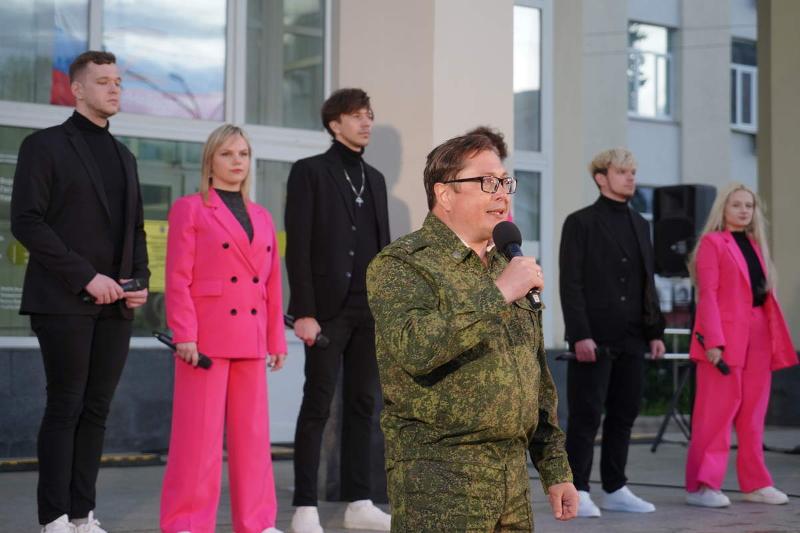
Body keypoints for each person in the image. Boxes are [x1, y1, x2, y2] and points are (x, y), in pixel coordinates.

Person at [367, 133, 578, 531]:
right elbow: (415, 347)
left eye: (505, 181)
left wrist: (555, 469)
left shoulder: (507, 264)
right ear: (445, 194)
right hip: (440, 479)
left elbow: (535, 375)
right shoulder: (402, 264)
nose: (501, 193)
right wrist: (498, 294)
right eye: (487, 182)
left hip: (512, 480)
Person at [10, 50, 149, 533]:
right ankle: (53, 517)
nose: (114, 89)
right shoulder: (44, 146)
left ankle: (81, 515)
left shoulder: (125, 156)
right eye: (103, 81)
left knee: (97, 410)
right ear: (77, 89)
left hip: (116, 306)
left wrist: (139, 281)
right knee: (65, 406)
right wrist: (86, 276)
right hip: (63, 300)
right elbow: (26, 221)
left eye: (118, 82)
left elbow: (135, 229)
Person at [159, 125, 286, 533]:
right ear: (210, 161)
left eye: (243, 154)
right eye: (227, 154)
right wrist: (184, 333)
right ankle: (186, 523)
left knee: (253, 439)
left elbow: (271, 284)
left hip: (251, 335)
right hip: (205, 339)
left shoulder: (262, 215)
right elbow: (177, 277)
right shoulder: (190, 208)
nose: (237, 161)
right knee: (198, 440)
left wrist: (275, 338)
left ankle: (258, 522)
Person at [285, 88, 391, 533]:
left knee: (364, 406)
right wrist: (303, 311)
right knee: (318, 404)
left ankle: (359, 502)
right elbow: (298, 245)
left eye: (369, 115)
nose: (366, 123)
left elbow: (383, 248)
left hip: (369, 309)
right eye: (356, 116)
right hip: (326, 311)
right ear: (334, 124)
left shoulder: (375, 178)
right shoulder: (310, 171)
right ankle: (304, 506)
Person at [559, 148, 666, 517]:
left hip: (633, 336)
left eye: (633, 171)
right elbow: (570, 283)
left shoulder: (641, 223)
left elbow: (647, 281)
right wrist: (580, 334)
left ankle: (615, 487)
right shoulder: (580, 222)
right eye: (622, 172)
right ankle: (577, 490)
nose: (631, 177)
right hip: (594, 337)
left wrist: (654, 331)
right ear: (601, 178)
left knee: (624, 414)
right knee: (586, 416)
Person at [685, 183, 797, 508]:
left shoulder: (755, 245)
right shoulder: (712, 243)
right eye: (737, 204)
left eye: (749, 205)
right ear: (723, 209)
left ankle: (756, 483)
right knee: (715, 414)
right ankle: (702, 486)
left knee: (753, 414)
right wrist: (713, 341)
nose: (744, 210)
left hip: (759, 334)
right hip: (723, 338)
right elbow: (708, 295)